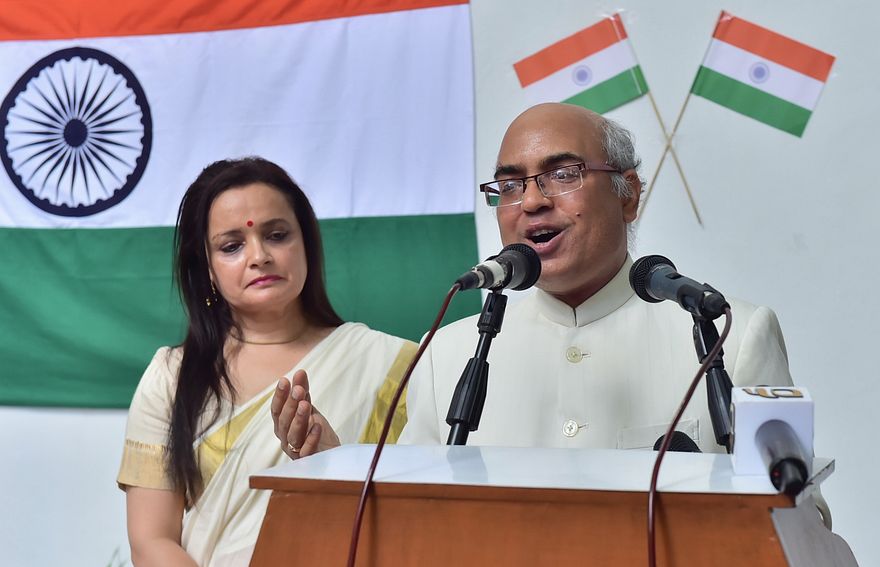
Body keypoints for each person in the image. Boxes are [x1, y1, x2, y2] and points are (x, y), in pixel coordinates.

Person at [399, 102, 794, 453]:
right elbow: (409, 509)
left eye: (563, 174)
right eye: (510, 186)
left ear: (628, 195)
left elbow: (796, 509)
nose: (532, 201)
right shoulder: (443, 356)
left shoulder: (735, 335)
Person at [117, 157, 415, 567]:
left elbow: (419, 524)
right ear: (207, 268)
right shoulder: (172, 377)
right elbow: (151, 540)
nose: (259, 256)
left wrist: (334, 463)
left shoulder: (393, 365)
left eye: (277, 235)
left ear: (306, 243)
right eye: (231, 246)